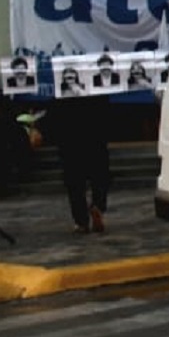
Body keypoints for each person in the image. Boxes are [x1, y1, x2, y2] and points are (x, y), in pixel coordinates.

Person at [25, 97, 112, 234]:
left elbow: (53, 113)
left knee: (75, 184)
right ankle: (98, 206)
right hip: (95, 137)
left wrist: (39, 129)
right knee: (100, 177)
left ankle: (81, 222)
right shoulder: (96, 96)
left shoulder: (63, 97)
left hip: (70, 141)